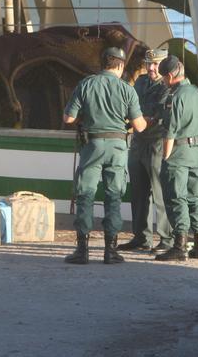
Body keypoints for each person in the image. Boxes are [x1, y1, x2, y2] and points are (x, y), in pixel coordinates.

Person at [63, 47, 146, 265]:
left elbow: (68, 118)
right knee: (114, 197)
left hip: (92, 146)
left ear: (102, 63)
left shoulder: (87, 84)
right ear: (120, 65)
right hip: (118, 147)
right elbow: (139, 126)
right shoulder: (127, 89)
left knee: (85, 195)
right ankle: (111, 251)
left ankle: (82, 251)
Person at [117, 49, 173, 254]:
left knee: (160, 194)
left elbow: (157, 115)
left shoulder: (167, 87)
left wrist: (136, 120)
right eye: (149, 63)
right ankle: (141, 237)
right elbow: (129, 106)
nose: (151, 68)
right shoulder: (140, 82)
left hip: (157, 143)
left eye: (156, 64)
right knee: (139, 193)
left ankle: (167, 239)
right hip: (138, 142)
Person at [154, 55, 198, 262]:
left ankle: (180, 246)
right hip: (196, 153)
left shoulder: (175, 97)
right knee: (196, 198)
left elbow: (171, 133)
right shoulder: (197, 94)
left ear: (169, 76)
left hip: (178, 154)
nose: (163, 83)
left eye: (163, 79)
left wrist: (165, 158)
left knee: (177, 198)